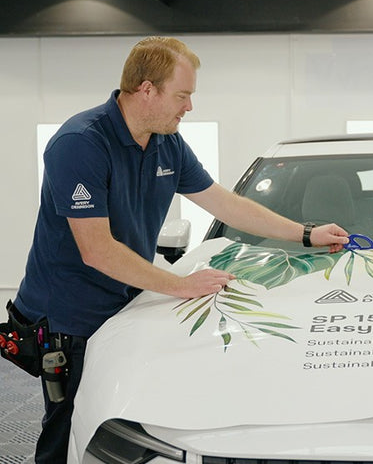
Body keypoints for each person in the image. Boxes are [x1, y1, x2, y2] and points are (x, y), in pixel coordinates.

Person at [9, 36, 350, 462]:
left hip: (124, 305)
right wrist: (180, 285)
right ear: (147, 89)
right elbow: (96, 250)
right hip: (69, 317)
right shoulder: (80, 143)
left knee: (124, 421)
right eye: (183, 95)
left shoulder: (166, 142)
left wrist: (304, 234)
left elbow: (225, 203)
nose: (189, 107)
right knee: (70, 429)